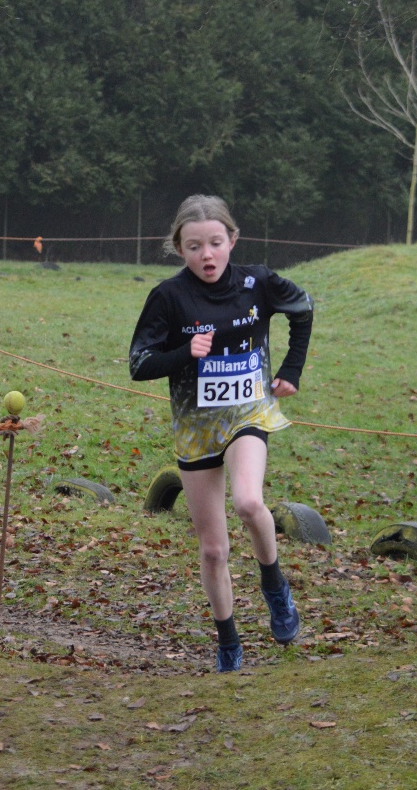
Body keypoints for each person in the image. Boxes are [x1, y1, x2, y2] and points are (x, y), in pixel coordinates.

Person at [129, 195, 314, 673]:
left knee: (249, 503)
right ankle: (228, 640)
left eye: (215, 243)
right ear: (179, 248)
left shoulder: (257, 281)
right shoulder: (168, 297)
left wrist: (291, 369)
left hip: (248, 414)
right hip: (196, 429)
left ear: (232, 240)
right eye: (194, 247)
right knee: (213, 548)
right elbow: (139, 362)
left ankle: (275, 587)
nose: (206, 255)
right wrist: (184, 353)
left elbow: (303, 307)